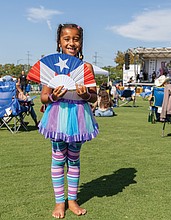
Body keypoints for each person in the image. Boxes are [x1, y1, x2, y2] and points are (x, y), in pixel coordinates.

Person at [38, 23, 99, 219]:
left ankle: (72, 200)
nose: (71, 43)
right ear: (59, 42)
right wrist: (54, 96)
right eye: (67, 39)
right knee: (57, 160)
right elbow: (44, 97)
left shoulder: (86, 67)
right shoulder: (50, 67)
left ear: (81, 42)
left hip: (79, 117)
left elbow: (94, 97)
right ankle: (59, 202)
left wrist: (85, 95)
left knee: (74, 159)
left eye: (76, 39)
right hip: (57, 116)